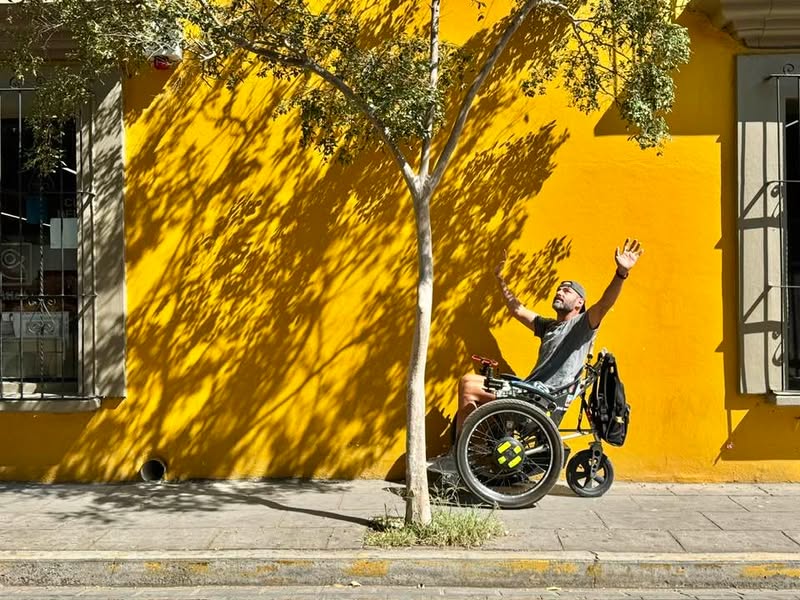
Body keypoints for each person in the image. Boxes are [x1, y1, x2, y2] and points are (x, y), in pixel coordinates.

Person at [428, 238, 643, 474]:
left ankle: (461, 461)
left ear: (579, 303)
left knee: (469, 384)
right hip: (532, 391)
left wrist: (621, 273)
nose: (559, 292)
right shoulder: (549, 327)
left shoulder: (583, 325)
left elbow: (603, 305)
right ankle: (472, 457)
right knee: (479, 385)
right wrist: (499, 279)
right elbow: (517, 309)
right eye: (559, 288)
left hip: (543, 398)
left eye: (567, 291)